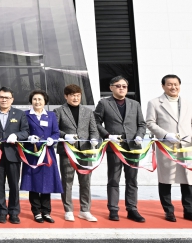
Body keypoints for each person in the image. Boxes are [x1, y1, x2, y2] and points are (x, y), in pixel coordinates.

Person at [94, 75, 146, 222]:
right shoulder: (104, 103)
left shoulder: (135, 104)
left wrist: (139, 135)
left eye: (124, 86)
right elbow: (95, 122)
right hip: (114, 147)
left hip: (132, 147)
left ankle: (132, 209)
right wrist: (107, 135)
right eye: (118, 86)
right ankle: (113, 209)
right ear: (111, 88)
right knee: (113, 179)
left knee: (132, 179)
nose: (121, 88)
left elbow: (141, 124)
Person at [145, 75, 192, 222]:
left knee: (188, 180)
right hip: (167, 146)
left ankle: (189, 210)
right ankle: (169, 211)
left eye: (176, 84)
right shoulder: (155, 103)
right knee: (166, 179)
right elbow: (150, 123)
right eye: (170, 84)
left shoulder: (187, 103)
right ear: (163, 86)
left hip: (186, 145)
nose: (173, 87)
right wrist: (165, 135)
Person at [54, 84, 100, 222]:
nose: (75, 98)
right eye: (73, 95)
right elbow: (54, 129)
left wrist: (94, 139)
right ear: (66, 96)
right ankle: (68, 210)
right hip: (68, 151)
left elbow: (94, 130)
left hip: (86, 151)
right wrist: (65, 135)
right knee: (67, 181)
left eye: (78, 95)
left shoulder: (88, 111)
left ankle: (85, 210)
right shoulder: (59, 111)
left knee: (86, 182)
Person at [0, 87, 29, 224]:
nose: (4, 100)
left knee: (14, 185)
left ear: (12, 99)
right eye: (1, 97)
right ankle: (1, 212)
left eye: (7, 97)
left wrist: (16, 135)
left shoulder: (20, 114)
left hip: (14, 154)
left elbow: (25, 132)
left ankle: (14, 212)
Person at [20, 90, 62, 223]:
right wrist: (28, 137)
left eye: (40, 99)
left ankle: (46, 212)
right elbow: (23, 131)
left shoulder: (51, 115)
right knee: (33, 182)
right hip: (32, 153)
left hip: (47, 153)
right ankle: (36, 211)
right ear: (31, 101)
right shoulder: (25, 115)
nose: (37, 102)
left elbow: (56, 132)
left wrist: (52, 139)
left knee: (47, 182)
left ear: (45, 101)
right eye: (35, 99)